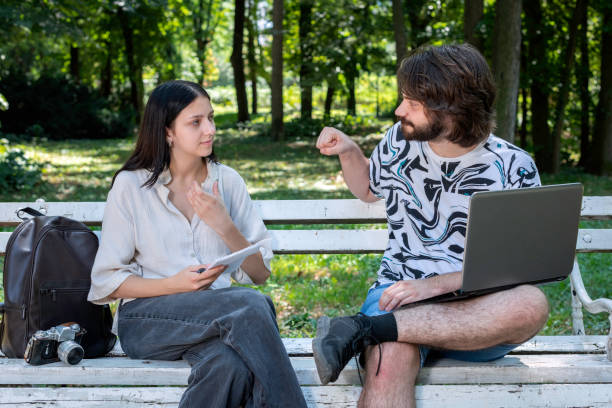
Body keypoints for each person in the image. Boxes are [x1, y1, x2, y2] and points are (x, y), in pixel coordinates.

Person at [313, 44, 549, 408]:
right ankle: (381, 330)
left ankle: (366, 330)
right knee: (387, 366)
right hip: (398, 295)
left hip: (477, 314)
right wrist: (348, 149)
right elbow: (367, 189)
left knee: (532, 304)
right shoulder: (398, 142)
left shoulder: (513, 167)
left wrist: (433, 286)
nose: (399, 109)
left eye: (412, 101)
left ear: (450, 107)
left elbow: (519, 265)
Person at [87, 80, 307, 408]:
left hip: (218, 319)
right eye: (196, 122)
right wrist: (174, 284)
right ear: (167, 132)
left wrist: (224, 225)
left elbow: (259, 274)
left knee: (229, 366)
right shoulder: (131, 186)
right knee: (252, 305)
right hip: (147, 322)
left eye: (211, 118)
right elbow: (106, 280)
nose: (210, 129)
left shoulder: (227, 182)